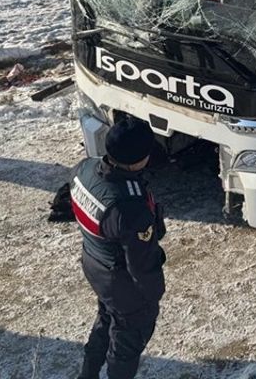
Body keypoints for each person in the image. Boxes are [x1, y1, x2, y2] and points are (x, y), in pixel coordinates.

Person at [70, 119, 167, 379]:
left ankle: (87, 375)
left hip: (95, 264)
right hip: (122, 283)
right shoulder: (129, 208)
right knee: (126, 344)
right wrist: (152, 297)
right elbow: (142, 264)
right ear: (139, 160)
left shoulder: (85, 168)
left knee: (106, 321)